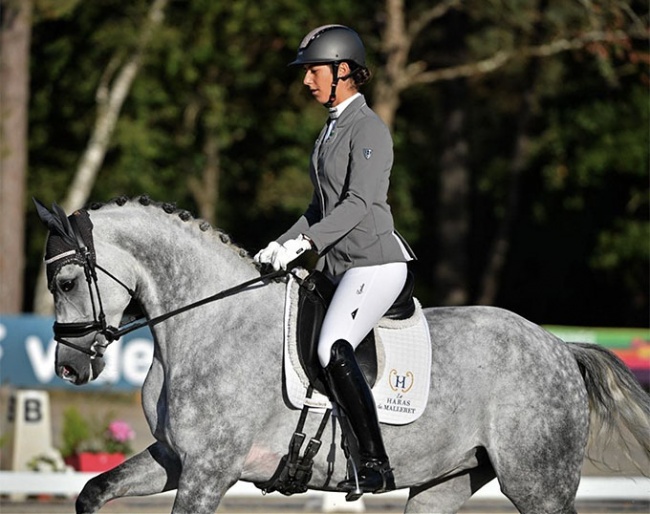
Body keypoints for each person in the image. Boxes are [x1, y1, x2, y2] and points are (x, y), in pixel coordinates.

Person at [255, 24, 414, 493]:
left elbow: (358, 204)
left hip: (374, 263)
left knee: (331, 346)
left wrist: (305, 245)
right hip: (339, 266)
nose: (306, 81)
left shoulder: (368, 128)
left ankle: (374, 462)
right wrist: (280, 243)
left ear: (343, 70)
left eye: (313, 71)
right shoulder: (330, 131)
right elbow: (317, 209)